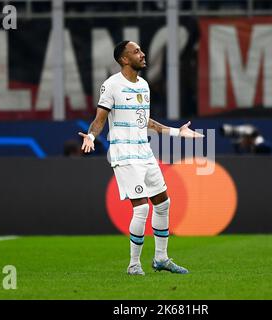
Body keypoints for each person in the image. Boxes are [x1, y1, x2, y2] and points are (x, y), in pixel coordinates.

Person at [78, 40, 204, 276]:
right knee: (141, 209)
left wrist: (177, 132)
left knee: (163, 203)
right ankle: (134, 265)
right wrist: (92, 136)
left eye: (141, 50)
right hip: (124, 153)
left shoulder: (144, 85)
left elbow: (144, 122)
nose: (143, 54)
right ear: (124, 59)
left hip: (144, 151)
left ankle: (161, 259)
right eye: (136, 51)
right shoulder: (111, 85)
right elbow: (100, 119)